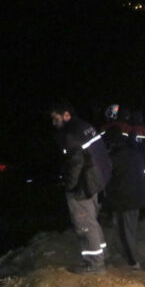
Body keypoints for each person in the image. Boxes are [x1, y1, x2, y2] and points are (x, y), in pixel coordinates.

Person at [49, 101, 112, 274]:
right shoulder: (85, 126)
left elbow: (75, 162)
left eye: (56, 119)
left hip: (84, 185)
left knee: (84, 223)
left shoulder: (70, 134)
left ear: (66, 115)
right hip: (98, 180)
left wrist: (69, 186)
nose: (54, 123)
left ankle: (95, 265)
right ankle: (102, 254)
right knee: (91, 219)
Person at [103, 125, 145, 269]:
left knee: (124, 233)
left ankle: (133, 263)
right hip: (137, 198)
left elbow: (107, 180)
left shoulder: (113, 158)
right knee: (130, 230)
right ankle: (126, 255)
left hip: (123, 201)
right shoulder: (135, 153)